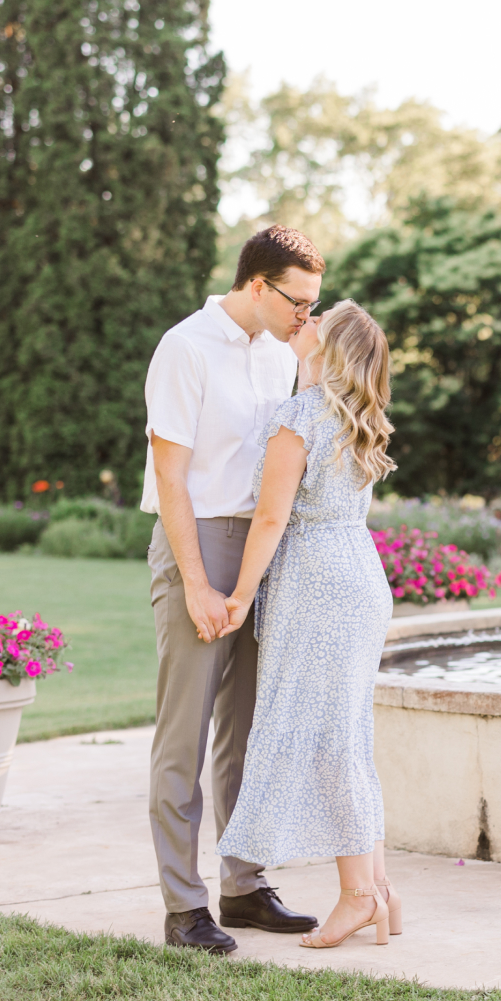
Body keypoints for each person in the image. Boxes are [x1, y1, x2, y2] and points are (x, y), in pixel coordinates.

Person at [143, 225, 325, 955]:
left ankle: (243, 887)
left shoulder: (282, 355)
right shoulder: (184, 348)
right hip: (199, 543)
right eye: (299, 302)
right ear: (258, 285)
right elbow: (170, 477)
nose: (307, 317)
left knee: (248, 731)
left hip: (259, 553)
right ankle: (183, 909)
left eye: (315, 304)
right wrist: (195, 582)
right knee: (182, 737)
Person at [215, 300, 401, 949]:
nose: (306, 318)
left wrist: (238, 595)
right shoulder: (356, 418)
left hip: (317, 584)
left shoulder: (299, 417)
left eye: (319, 317)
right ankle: (378, 890)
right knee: (349, 735)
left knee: (328, 741)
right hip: (358, 574)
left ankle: (355, 897)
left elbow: (270, 520)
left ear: (330, 345)